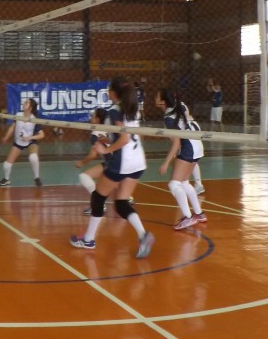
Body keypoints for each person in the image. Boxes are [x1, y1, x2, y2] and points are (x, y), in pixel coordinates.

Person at [70, 76, 154, 259]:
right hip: (138, 161)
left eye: (109, 90)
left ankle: (89, 240)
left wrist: (106, 148)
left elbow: (124, 138)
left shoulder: (115, 111)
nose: (107, 92)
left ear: (115, 93)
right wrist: (108, 139)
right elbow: (127, 135)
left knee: (98, 198)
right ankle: (143, 235)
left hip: (123, 161)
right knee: (122, 202)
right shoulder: (132, 108)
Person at [156, 89, 207, 231]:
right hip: (197, 144)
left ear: (162, 101)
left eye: (157, 96)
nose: (155, 97)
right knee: (184, 182)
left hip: (188, 146)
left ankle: (188, 216)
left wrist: (166, 161)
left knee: (174, 184)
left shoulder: (168, 117)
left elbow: (176, 142)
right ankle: (199, 214)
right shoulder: (181, 105)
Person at [0, 98, 45, 187]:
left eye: (27, 103)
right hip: (19, 142)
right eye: (25, 102)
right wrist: (6, 137)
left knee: (33, 157)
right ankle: (6, 179)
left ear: (30, 108)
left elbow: (42, 135)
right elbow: (12, 127)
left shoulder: (34, 119)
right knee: (6, 165)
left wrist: (29, 138)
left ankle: (37, 178)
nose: (24, 103)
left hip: (31, 141)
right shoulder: (18, 115)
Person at [75, 108, 111, 215]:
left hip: (111, 163)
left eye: (93, 116)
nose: (91, 118)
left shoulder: (96, 133)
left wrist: (82, 162)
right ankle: (127, 198)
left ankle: (98, 205)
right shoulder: (109, 129)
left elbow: (93, 154)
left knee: (84, 176)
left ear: (98, 119)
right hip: (119, 161)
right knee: (109, 182)